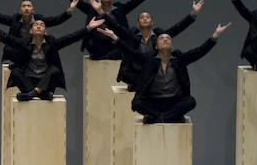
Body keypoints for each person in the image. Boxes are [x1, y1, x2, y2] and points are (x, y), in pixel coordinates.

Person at [97, 22, 232, 123]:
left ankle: (159, 118)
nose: (166, 39)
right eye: (162, 38)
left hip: (174, 102)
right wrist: (115, 37)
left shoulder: (179, 59)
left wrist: (214, 36)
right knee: (137, 103)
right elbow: (130, 53)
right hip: (153, 102)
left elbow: (199, 52)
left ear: (172, 46)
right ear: (156, 46)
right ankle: (169, 118)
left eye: (168, 38)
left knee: (191, 101)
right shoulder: (149, 61)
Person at [0, 0, 106, 101]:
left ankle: (32, 94)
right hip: (30, 81)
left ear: (45, 31)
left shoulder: (52, 42)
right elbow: (6, 37)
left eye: (41, 25)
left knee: (55, 70)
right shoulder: (24, 42)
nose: (38, 26)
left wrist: (88, 27)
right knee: (15, 72)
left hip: (46, 81)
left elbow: (71, 37)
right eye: (36, 25)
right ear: (31, 31)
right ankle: (39, 94)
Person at [91, 0, 203, 91]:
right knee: (127, 75)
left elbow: (177, 28)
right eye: (142, 18)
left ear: (152, 22)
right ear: (138, 22)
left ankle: (141, 86)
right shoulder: (133, 35)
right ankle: (142, 85)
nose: (145, 19)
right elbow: (117, 27)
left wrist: (193, 14)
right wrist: (101, 12)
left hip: (152, 72)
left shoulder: (159, 36)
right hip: (135, 73)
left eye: (147, 17)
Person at [57, 0, 160, 59]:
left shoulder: (119, 8)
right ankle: (105, 57)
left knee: (130, 36)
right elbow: (77, 1)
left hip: (115, 43)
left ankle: (108, 56)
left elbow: (135, 1)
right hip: (98, 44)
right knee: (90, 44)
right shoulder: (92, 9)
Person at [0, 0, 78, 63]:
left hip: (35, 50)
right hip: (18, 49)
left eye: (29, 6)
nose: (26, 8)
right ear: (20, 10)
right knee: (8, 48)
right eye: (24, 6)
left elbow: (55, 20)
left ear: (32, 9)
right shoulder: (15, 19)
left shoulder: (39, 20)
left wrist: (69, 10)